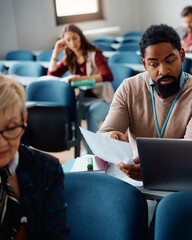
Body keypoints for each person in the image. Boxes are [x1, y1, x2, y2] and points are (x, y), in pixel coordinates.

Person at [97, 24, 192, 181]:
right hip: (135, 176)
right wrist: (111, 137)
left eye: (170, 61)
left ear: (182, 55)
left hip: (180, 177)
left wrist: (155, 167)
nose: (163, 71)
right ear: (144, 63)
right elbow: (103, 135)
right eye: (154, 64)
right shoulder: (129, 87)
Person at [0, 74, 69, 239]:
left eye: (10, 128)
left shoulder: (46, 169)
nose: (1, 143)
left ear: (24, 122)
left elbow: (56, 235)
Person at [48, 23, 114, 135]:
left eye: (75, 38)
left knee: (92, 115)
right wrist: (56, 52)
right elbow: (52, 76)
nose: (72, 43)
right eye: (68, 40)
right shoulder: (69, 58)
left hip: (104, 99)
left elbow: (108, 75)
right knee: (68, 112)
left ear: (81, 37)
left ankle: (93, 151)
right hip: (84, 100)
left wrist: (79, 79)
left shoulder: (95, 54)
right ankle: (82, 144)